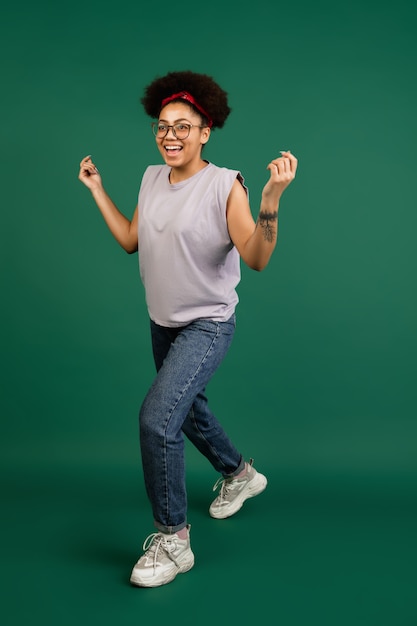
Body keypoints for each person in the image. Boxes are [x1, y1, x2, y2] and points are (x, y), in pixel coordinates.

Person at [78, 70, 297, 588]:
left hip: (207, 324)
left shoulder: (225, 184)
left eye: (183, 126)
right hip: (163, 324)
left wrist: (272, 197)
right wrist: (97, 190)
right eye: (162, 126)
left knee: (158, 419)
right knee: (189, 411)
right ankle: (241, 476)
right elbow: (132, 238)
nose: (170, 134)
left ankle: (173, 541)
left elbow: (258, 257)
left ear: (206, 131)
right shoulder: (152, 176)